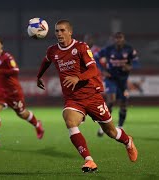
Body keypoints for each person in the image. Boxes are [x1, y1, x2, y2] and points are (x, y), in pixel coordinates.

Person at [36, 20, 137, 173]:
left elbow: (93, 70)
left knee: (111, 131)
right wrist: (39, 76)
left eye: (62, 30)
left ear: (70, 32)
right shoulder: (53, 50)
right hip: (73, 98)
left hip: (92, 96)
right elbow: (46, 60)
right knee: (70, 121)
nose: (59, 34)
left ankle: (127, 141)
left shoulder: (81, 47)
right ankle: (89, 160)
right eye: (57, 31)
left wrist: (78, 78)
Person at [0, 35, 44, 147]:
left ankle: (37, 124)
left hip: (13, 91)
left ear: (1, 45)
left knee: (21, 113)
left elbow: (15, 70)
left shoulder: (7, 57)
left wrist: (0, 71)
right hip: (0, 91)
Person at [94, 32, 139, 136]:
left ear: (123, 39)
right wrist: (102, 70)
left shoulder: (129, 49)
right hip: (111, 79)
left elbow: (136, 62)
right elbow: (96, 57)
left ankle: (120, 126)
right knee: (111, 101)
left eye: (120, 38)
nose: (118, 40)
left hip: (123, 80)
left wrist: (130, 66)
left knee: (124, 104)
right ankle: (104, 127)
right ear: (113, 40)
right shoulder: (108, 49)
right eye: (116, 38)